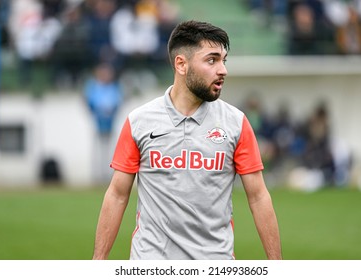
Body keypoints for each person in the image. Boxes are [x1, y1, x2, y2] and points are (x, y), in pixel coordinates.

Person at [92, 20, 282, 260]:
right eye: (212, 60)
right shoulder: (138, 122)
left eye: (224, 60)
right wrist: (97, 264)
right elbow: (118, 194)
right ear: (181, 64)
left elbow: (258, 196)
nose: (223, 70)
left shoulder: (237, 123)